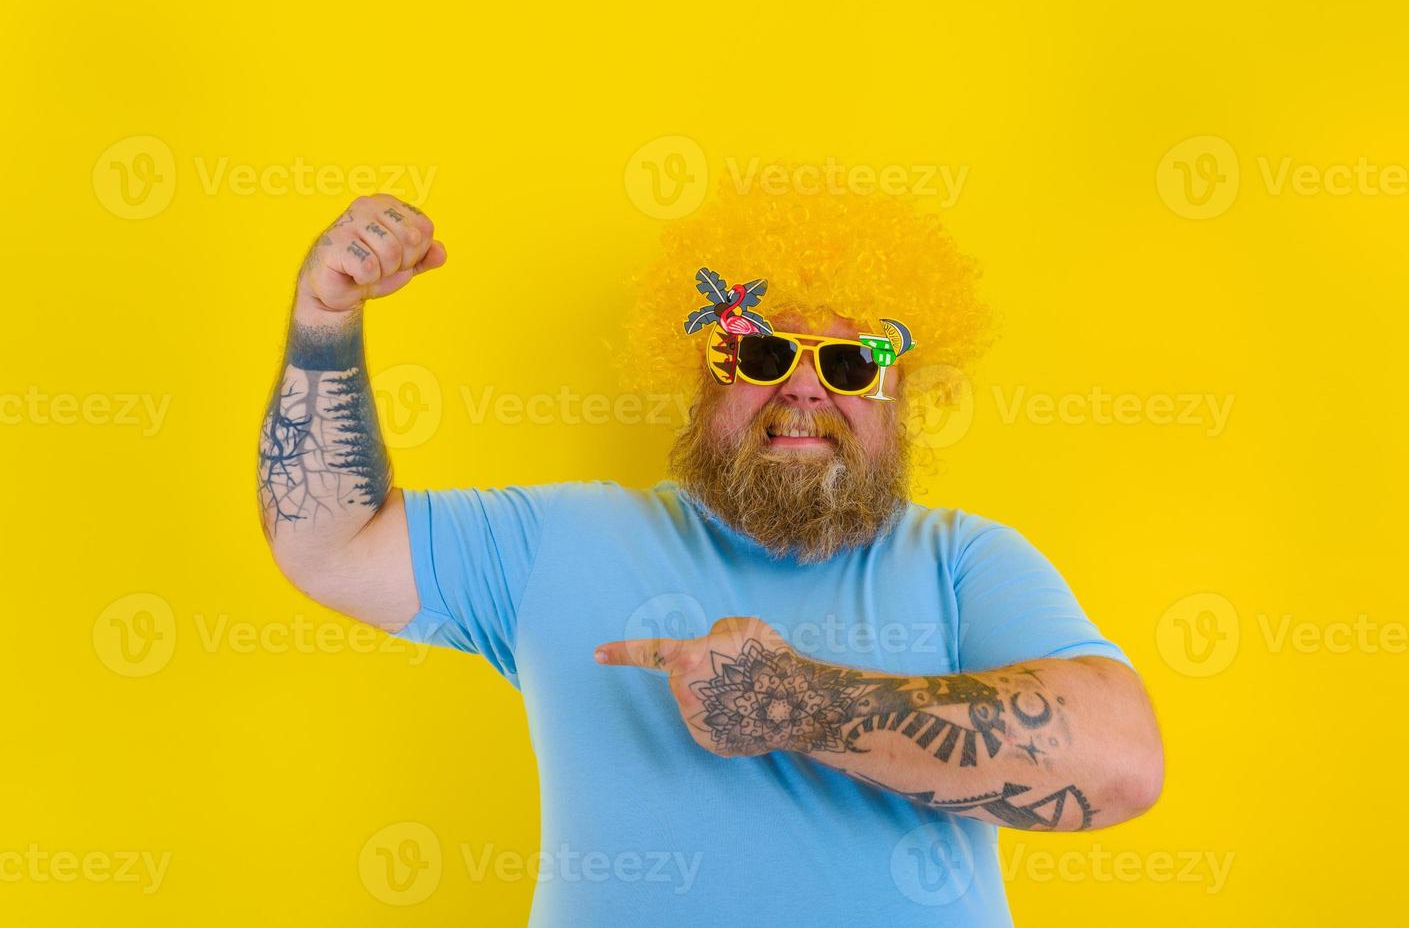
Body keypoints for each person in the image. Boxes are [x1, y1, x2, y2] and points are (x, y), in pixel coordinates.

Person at [257, 186, 1163, 927]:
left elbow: (1119, 762)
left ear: (899, 398)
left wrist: (791, 702)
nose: (803, 385)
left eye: (850, 364)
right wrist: (325, 319)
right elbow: (330, 544)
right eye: (761, 352)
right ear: (702, 378)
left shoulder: (962, 561)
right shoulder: (559, 541)